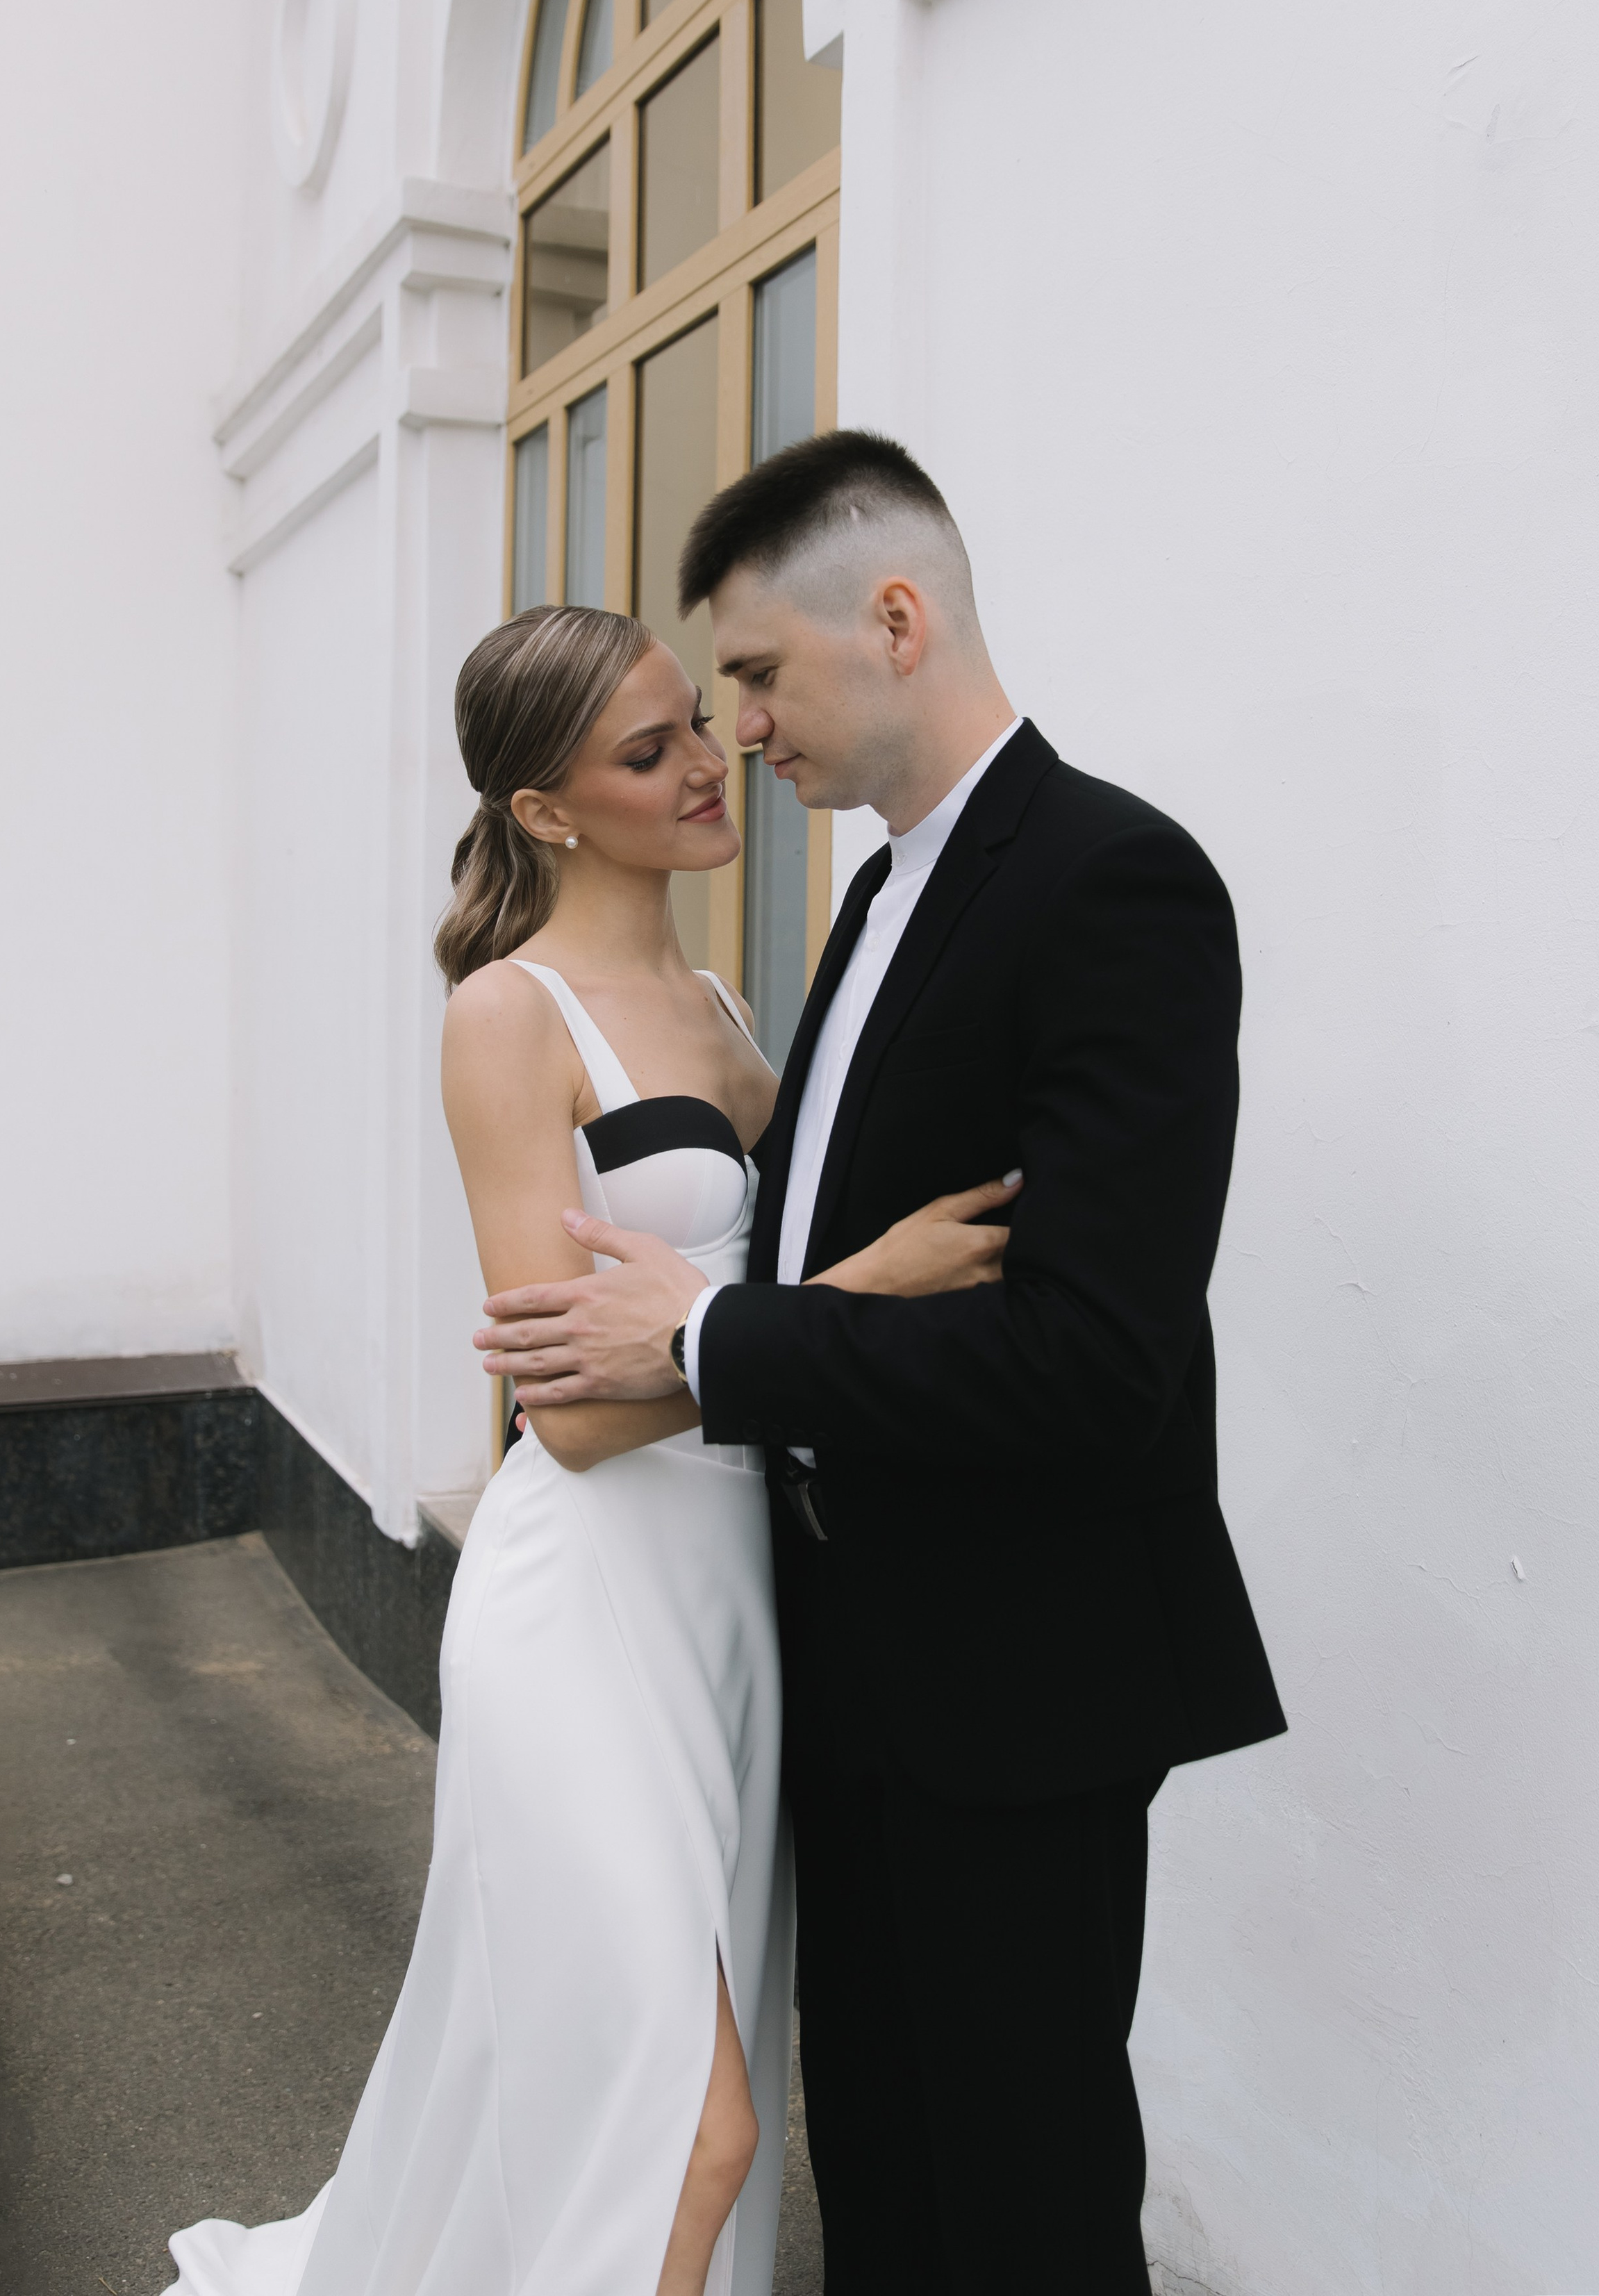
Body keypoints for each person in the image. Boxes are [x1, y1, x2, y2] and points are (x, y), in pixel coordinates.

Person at [474, 433, 1289, 2294]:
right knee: (895, 2196)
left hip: (1021, 1676)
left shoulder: (1115, 882)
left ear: (896, 619)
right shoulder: (866, 901)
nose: (736, 728)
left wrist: (707, 1333)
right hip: (843, 1668)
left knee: (1028, 2208)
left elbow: (1094, 1358)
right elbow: (862, 1274)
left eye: (753, 674)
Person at [165, 602, 1013, 2296]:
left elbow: (737, 1303)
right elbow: (572, 1404)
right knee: (687, 2126)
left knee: (679, 2105)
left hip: (732, 1609)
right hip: (584, 1604)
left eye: (697, 720)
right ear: (545, 811)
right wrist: (867, 1281)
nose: (708, 763)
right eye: (648, 752)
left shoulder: (717, 997)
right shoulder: (508, 1013)